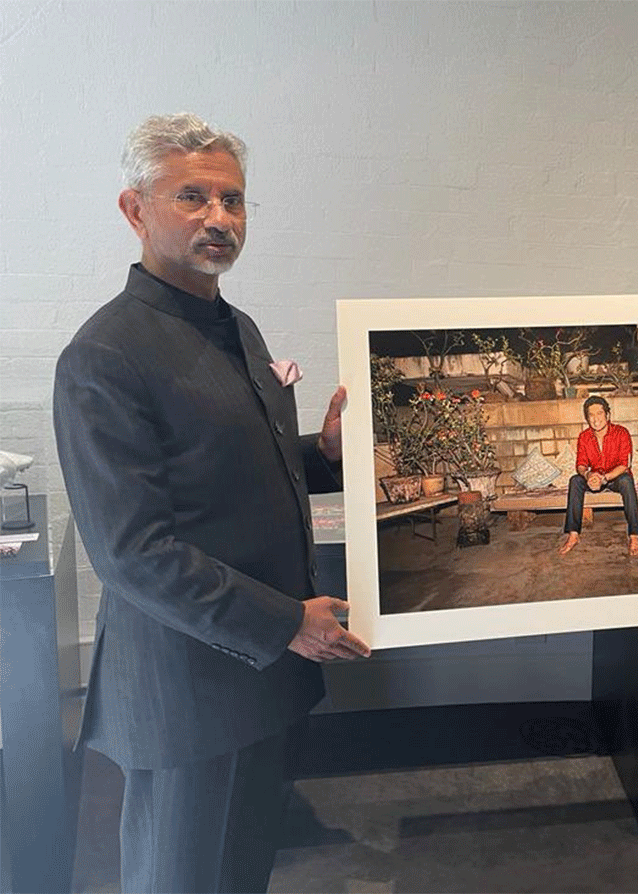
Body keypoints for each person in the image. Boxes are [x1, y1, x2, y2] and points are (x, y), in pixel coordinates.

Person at [53, 113, 371, 894]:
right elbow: (133, 552)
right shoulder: (103, 357)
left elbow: (232, 469)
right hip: (187, 689)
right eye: (191, 196)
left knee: (240, 869)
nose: (219, 218)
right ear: (135, 210)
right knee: (181, 877)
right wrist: (287, 623)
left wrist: (322, 457)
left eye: (232, 200)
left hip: (263, 675)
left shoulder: (239, 327)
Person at [558, 395, 638, 557]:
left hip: (615, 477)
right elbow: (581, 464)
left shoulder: (621, 433)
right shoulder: (584, 437)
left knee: (627, 480)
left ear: (608, 415)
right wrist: (589, 475)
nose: (595, 419)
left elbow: (625, 464)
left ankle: (634, 536)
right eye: (591, 415)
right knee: (575, 480)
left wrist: (605, 478)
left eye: (599, 413)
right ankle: (573, 535)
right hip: (594, 476)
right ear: (587, 418)